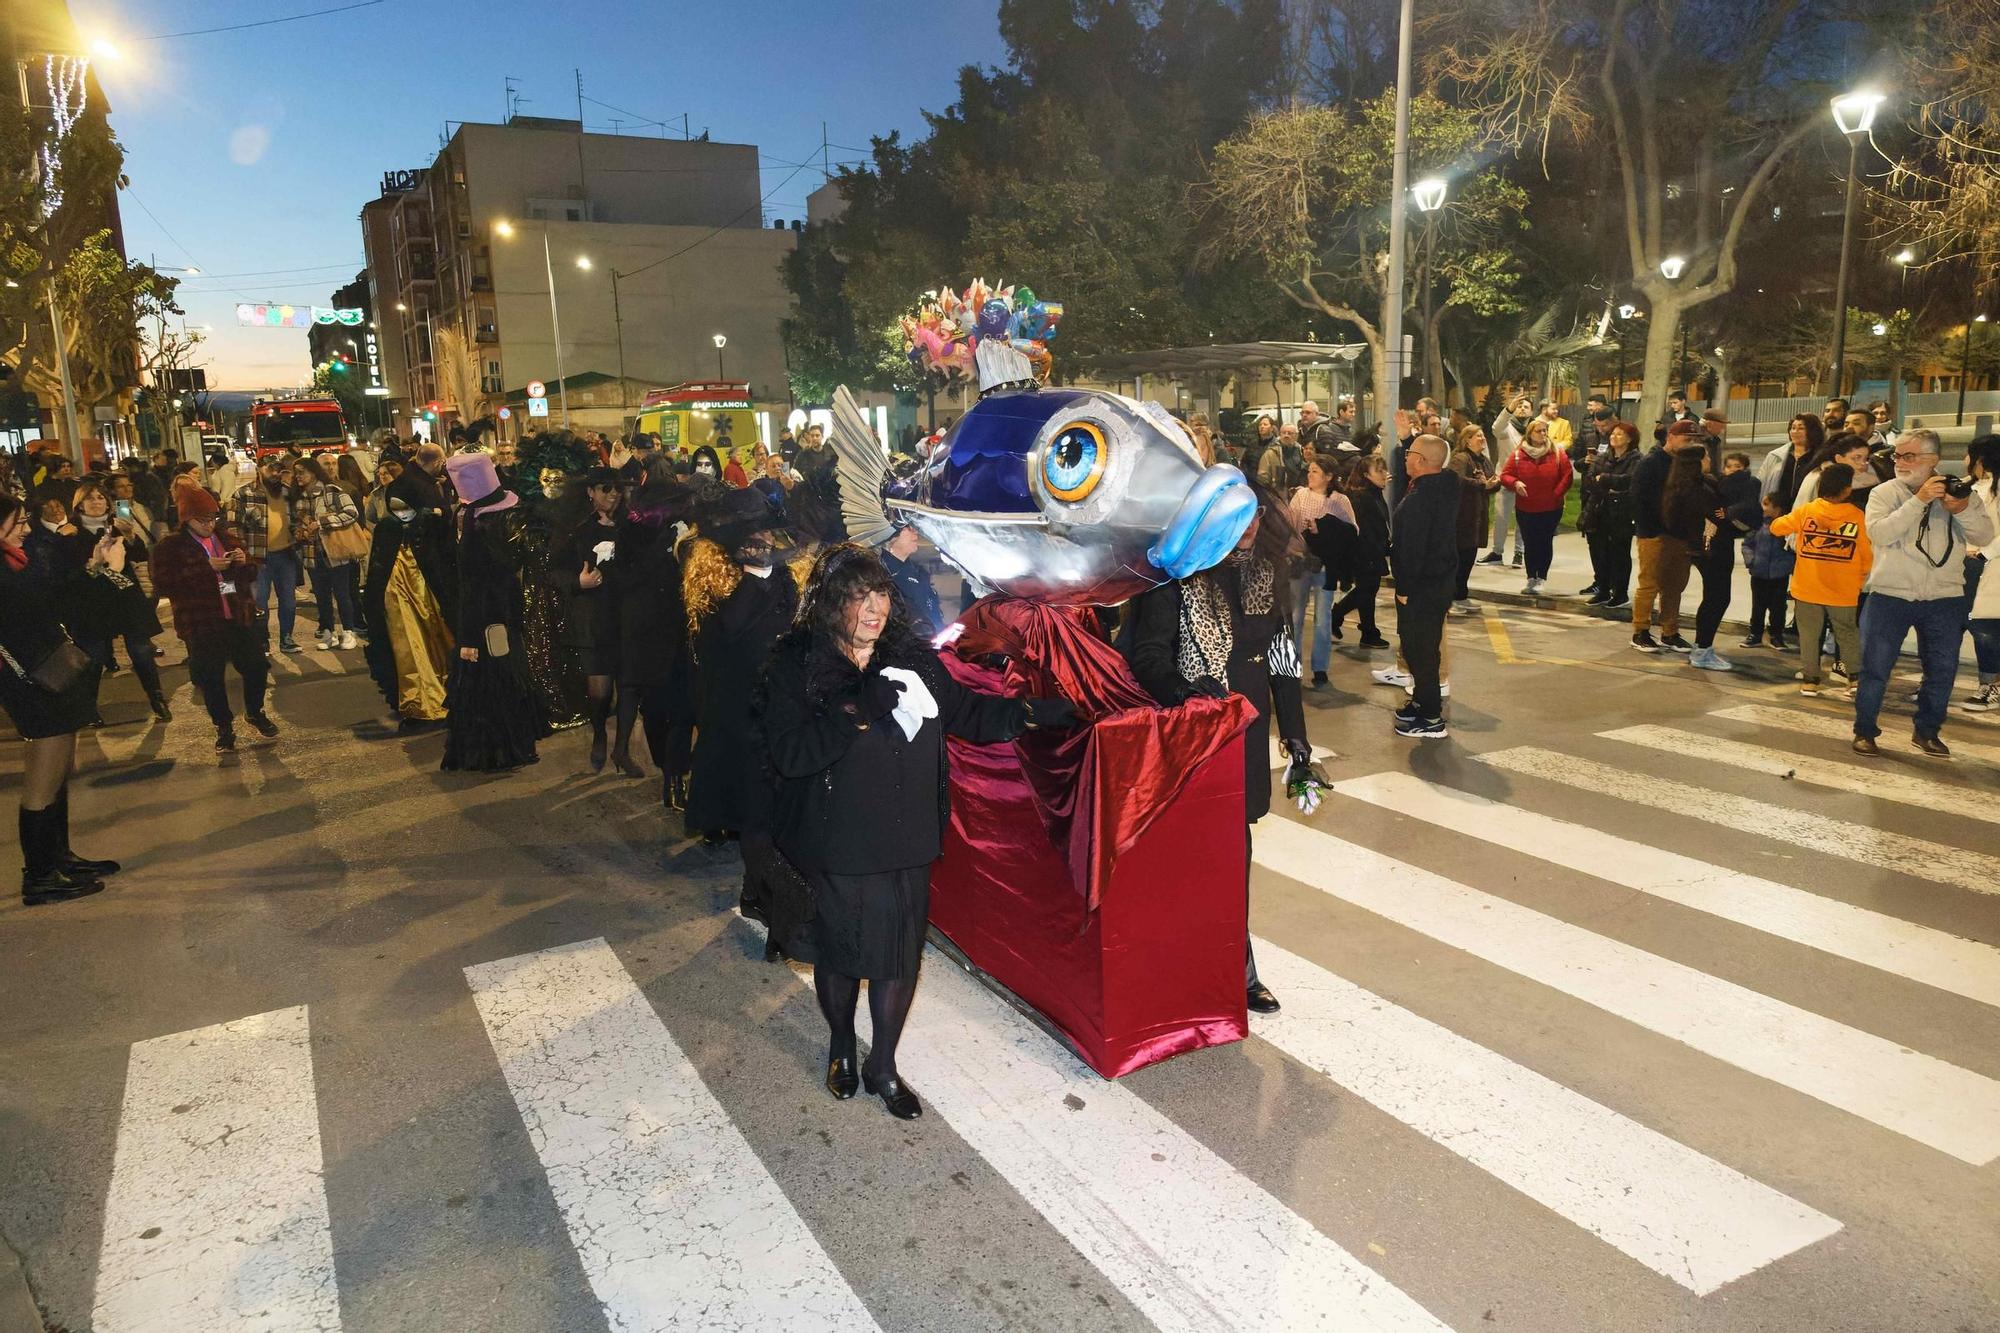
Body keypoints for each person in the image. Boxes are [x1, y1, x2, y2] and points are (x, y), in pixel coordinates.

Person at [758, 544, 1075, 1117]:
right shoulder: (796, 667)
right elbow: (790, 755)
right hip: (837, 837)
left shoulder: (912, 659)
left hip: (907, 832)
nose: (873, 608)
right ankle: (840, 1045)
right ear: (832, 603)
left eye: (880, 594)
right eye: (858, 596)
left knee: (899, 955)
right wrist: (856, 711)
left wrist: (1030, 713)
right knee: (841, 951)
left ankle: (882, 1064)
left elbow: (969, 714)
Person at [1125, 485, 1310, 1015]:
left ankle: (1240, 968)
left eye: (1252, 517)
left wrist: (1295, 734)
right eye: (1235, 518)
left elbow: (1281, 656)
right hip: (1193, 732)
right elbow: (1148, 655)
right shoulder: (1176, 576)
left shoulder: (1265, 574)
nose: (1248, 527)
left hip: (1245, 732)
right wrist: (1183, 691)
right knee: (1184, 856)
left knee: (1235, 855)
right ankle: (1174, 962)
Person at [0, 494, 118, 906]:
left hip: (50, 669)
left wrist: (93, 566)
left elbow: (53, 597)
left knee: (61, 764)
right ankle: (39, 875)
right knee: (42, 775)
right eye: (17, 523)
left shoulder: (15, 560)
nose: (26, 529)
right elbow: (38, 606)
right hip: (30, 680)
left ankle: (59, 858)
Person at [1849, 428, 1995, 756]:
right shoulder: (1885, 493)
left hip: (1944, 598)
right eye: (1897, 455)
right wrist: (1919, 501)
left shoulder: (1958, 492)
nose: (1900, 461)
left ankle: (1927, 731)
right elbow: (1880, 533)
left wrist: (1961, 508)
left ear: (1934, 460)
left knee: (1943, 669)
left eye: (1909, 456)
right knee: (1875, 667)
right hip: (1890, 595)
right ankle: (1865, 731)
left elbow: (1985, 535)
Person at [684, 488, 796, 841]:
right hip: (729, 682)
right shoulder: (710, 571)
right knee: (728, 748)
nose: (764, 538)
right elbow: (727, 628)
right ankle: (721, 819)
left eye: (766, 530)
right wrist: (752, 577)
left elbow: (791, 613)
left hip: (770, 676)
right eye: (756, 531)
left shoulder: (780, 570)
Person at [151, 487, 276, 753]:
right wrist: (205, 569)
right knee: (211, 678)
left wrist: (244, 562)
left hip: (237, 616)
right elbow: (164, 583)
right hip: (202, 621)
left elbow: (250, 574)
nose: (209, 525)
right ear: (187, 520)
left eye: (212, 519)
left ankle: (254, 711)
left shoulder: (227, 538)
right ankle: (223, 726)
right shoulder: (170, 546)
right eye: (202, 520)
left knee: (256, 666)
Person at [440, 453, 540, 772]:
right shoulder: (498, 528)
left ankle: (489, 750)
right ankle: (509, 746)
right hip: (502, 618)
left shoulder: (477, 528)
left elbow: (473, 587)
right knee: (503, 682)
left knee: (483, 685)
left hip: (483, 619)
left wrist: (467, 635)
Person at [64, 481, 170, 721]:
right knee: (95, 655)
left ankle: (157, 699)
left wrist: (131, 537)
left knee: (141, 651)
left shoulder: (116, 527)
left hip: (125, 598)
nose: (96, 502)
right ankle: (89, 708)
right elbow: (69, 571)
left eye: (101, 497)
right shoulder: (71, 532)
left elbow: (139, 555)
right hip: (93, 602)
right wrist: (95, 564)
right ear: (79, 505)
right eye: (90, 498)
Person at [361, 470, 456, 734]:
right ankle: (418, 704)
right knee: (408, 653)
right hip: (398, 604)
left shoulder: (429, 528)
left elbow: (444, 563)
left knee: (440, 647)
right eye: (395, 507)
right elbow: (377, 569)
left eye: (405, 506)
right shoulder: (387, 529)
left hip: (430, 603)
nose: (400, 512)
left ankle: (447, 696)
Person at [1769, 463, 1870, 698]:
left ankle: (1811, 681)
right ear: (1846, 490)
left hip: (1807, 587)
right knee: (1847, 633)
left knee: (1809, 634)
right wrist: (1860, 577)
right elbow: (1866, 554)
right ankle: (1854, 679)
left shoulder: (1807, 511)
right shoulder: (1856, 517)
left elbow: (1777, 528)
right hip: (1843, 590)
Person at [553, 468, 630, 771]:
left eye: (617, 489)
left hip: (626, 616)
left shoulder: (631, 526)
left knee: (628, 688)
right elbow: (554, 571)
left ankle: (621, 749)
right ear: (590, 492)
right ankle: (599, 733)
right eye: (605, 488)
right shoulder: (577, 529)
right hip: (594, 619)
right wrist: (577, 582)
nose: (613, 494)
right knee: (599, 692)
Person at [1388, 435, 1461, 739]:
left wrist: (1404, 587)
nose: (1405, 458)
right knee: (1421, 648)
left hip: (1422, 587)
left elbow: (1413, 549)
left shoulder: (1421, 498)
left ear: (1421, 460)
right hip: (1437, 582)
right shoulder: (1445, 485)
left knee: (1420, 649)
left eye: (1409, 453)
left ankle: (1431, 718)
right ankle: (1421, 700)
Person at [1681, 451, 1761, 670]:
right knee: (1716, 598)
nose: (1710, 461)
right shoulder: (1700, 488)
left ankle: (1702, 647)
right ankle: (1702, 650)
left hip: (1711, 545)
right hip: (1711, 547)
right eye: (1706, 457)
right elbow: (1716, 517)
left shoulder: (1704, 484)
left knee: (1715, 597)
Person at [1630, 421, 1703, 652]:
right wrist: (1651, 529)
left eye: (1693, 440)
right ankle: (1640, 631)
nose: (1690, 443)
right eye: (1686, 439)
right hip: (1654, 533)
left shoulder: (1689, 465)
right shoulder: (1650, 463)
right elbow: (1639, 499)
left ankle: (1669, 631)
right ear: (1671, 437)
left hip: (1680, 534)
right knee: (1649, 584)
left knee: (1674, 585)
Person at [1287, 456, 1353, 683]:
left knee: (1322, 618)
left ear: (1329, 476)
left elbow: (1351, 531)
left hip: (1326, 566)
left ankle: (1320, 667)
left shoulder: (1339, 500)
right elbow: (1289, 526)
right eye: (1309, 470)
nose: (1310, 475)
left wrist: (1323, 529)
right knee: (1295, 616)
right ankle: (1291, 665)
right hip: (1299, 563)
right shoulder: (1300, 495)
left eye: (1315, 471)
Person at [230, 454, 304, 652]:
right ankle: (262, 641)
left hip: (285, 555)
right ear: (259, 468)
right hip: (257, 558)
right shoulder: (243, 494)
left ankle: (286, 638)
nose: (275, 473)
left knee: (288, 600)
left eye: (279, 469)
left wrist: (299, 532)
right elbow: (232, 525)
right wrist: (242, 550)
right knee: (259, 602)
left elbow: (297, 518)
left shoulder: (288, 493)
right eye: (271, 468)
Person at [1498, 414, 1574, 596]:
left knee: (1544, 542)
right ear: (1530, 434)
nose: (1543, 434)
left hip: (1550, 508)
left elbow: (1567, 476)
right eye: (1539, 431)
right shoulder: (1518, 454)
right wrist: (1515, 483)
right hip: (1526, 507)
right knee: (1530, 542)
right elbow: (1505, 475)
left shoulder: (1557, 452)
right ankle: (1531, 577)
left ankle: (1542, 577)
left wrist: (1556, 495)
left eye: (1545, 431)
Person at [294, 457, 364, 650]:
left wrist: (323, 522)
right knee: (322, 595)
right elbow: (295, 522)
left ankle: (348, 632)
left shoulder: (331, 491)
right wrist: (299, 532)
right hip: (311, 553)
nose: (298, 476)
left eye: (302, 472)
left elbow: (352, 513)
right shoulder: (299, 497)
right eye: (296, 473)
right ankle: (328, 633)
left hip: (335, 551)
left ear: (313, 472)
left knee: (342, 593)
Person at [1327, 451, 1391, 649]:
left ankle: (1338, 616)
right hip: (1363, 553)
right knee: (1366, 590)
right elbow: (1359, 529)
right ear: (1366, 474)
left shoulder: (1374, 493)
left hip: (1373, 551)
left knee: (1367, 590)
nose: (1384, 474)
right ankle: (1367, 632)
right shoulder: (1361, 497)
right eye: (1378, 471)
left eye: (1384, 470)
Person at [1578, 419, 1639, 606]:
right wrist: (1607, 485)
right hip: (1599, 511)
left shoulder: (1635, 459)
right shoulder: (1603, 457)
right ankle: (1603, 589)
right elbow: (1589, 481)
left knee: (1619, 553)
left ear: (1629, 439)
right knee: (1599, 552)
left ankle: (1620, 592)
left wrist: (1604, 478)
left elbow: (1628, 481)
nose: (1614, 437)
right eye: (1612, 434)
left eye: (1619, 434)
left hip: (1621, 513)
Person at [1960, 435, 2000, 712]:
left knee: (1987, 629)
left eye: (1969, 454)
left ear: (1981, 458)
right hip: (1966, 567)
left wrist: (1985, 552)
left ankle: (1993, 685)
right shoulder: (1969, 486)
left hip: (1990, 567)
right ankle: (1985, 682)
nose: (1965, 460)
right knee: (1970, 627)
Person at [1448, 424, 1500, 613]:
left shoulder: (1484, 460)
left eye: (1483, 435)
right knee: (1459, 560)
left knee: (1469, 558)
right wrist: (1481, 485)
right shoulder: (1460, 459)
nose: (1483, 438)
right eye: (1478, 435)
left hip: (1477, 516)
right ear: (1467, 439)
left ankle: (1461, 595)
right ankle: (1452, 598)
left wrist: (1494, 484)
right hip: (1462, 517)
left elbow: (1489, 481)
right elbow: (1455, 480)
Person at [1739, 494, 1795, 652]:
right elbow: (1747, 545)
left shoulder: (1787, 527)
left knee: (1778, 606)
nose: (1762, 507)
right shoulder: (1757, 525)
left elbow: (1792, 548)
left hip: (1779, 575)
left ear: (1777, 509)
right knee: (1758, 605)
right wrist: (1751, 561)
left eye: (1766, 504)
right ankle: (1755, 633)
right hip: (1759, 573)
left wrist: (1788, 565)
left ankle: (1776, 635)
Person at [1483, 394, 1533, 567]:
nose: (1522, 408)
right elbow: (1496, 427)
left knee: (1523, 518)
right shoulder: (1507, 429)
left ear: (1531, 411)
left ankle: (1519, 552)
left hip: (1526, 481)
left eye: (1526, 406)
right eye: (1519, 406)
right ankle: (1497, 552)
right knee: (1501, 516)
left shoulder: (1534, 430)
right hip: (1505, 478)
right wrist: (1508, 409)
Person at [878, 521, 944, 639]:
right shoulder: (882, 574)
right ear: (890, 533)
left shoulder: (918, 571)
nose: (915, 531)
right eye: (907, 527)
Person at [1757, 413, 1826, 505]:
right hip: (1776, 512)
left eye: (1801, 428)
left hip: (1805, 512)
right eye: (1793, 428)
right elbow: (1761, 482)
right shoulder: (1775, 456)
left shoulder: (1820, 458)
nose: (1795, 431)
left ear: (1813, 431)